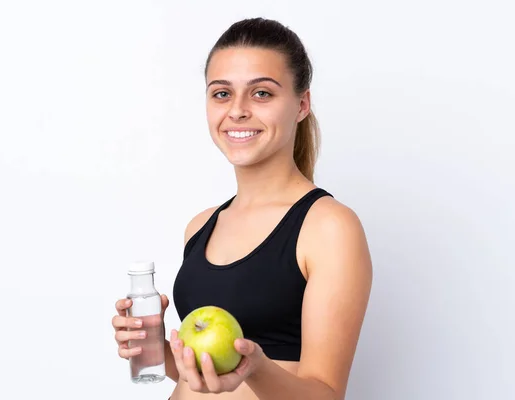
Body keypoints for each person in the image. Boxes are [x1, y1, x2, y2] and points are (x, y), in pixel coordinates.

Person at [111, 17, 373, 400]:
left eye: (261, 93)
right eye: (221, 94)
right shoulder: (201, 226)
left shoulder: (328, 227)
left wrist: (255, 367)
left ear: (301, 104)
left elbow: (326, 394)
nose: (237, 111)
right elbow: (202, 379)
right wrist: (154, 349)